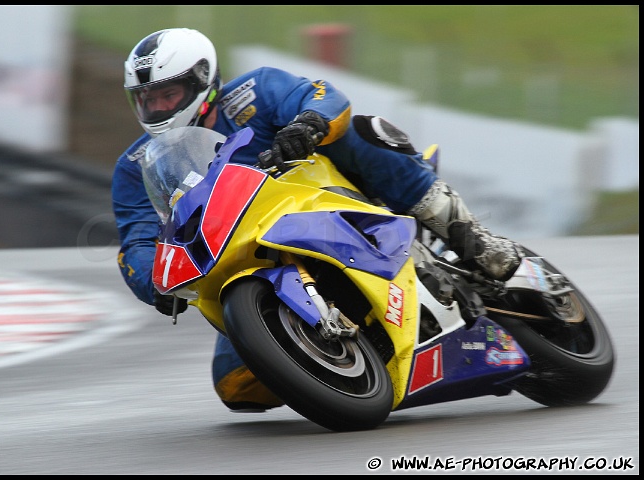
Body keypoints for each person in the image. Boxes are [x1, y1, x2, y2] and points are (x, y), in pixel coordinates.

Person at [112, 28, 523, 412]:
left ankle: (476, 241)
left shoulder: (256, 89)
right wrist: (155, 281)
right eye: (147, 98)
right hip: (239, 252)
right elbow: (138, 240)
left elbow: (326, 97)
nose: (158, 107)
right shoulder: (134, 167)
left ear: (203, 81)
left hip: (321, 195)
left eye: (168, 94)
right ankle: (340, 359)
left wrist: (307, 123)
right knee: (237, 386)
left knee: (360, 131)